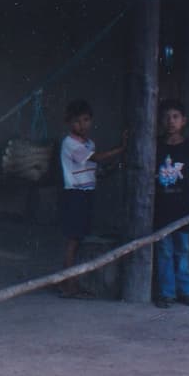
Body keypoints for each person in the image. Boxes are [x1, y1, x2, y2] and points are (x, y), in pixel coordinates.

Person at [57, 99, 125, 298]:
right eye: (77, 121)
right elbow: (96, 158)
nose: (82, 125)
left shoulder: (89, 144)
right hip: (74, 195)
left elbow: (96, 170)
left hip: (86, 193)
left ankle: (66, 281)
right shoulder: (69, 143)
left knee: (78, 240)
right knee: (73, 241)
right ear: (69, 123)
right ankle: (69, 285)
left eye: (86, 120)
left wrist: (116, 165)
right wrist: (122, 148)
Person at [151, 99, 189, 309]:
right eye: (166, 117)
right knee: (164, 251)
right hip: (161, 210)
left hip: (183, 210)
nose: (170, 121)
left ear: (184, 121)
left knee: (182, 251)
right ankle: (167, 293)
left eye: (175, 117)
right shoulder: (154, 145)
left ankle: (186, 291)